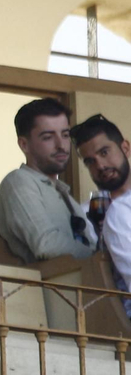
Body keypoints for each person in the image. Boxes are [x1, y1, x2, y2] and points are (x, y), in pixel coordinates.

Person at [0, 97, 96, 264]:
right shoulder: (18, 182)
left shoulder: (64, 194)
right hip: (44, 289)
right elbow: (46, 244)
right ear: (24, 144)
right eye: (48, 137)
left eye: (65, 135)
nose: (61, 145)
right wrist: (99, 257)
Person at [75, 115, 131, 318]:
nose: (100, 165)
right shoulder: (116, 213)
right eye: (90, 161)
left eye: (104, 152)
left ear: (125, 148)